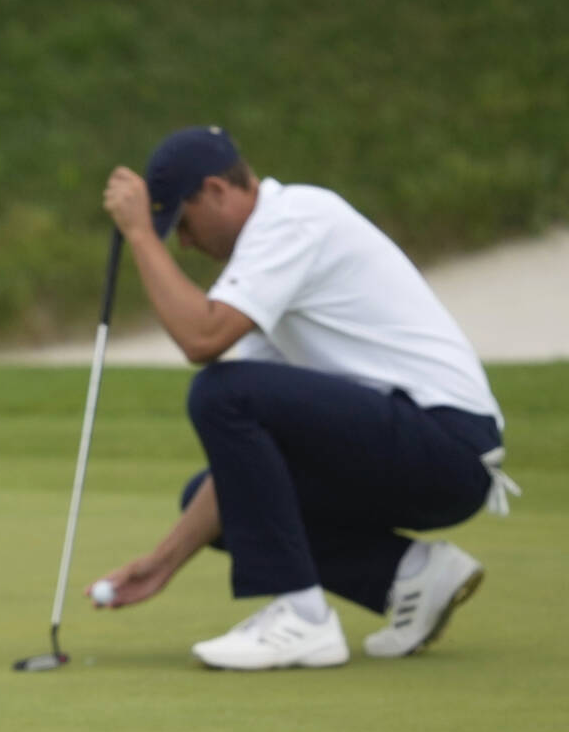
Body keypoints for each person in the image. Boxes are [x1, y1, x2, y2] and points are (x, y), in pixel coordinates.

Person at [93, 125, 518, 670]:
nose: (185, 242)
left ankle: (301, 618)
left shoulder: (295, 219)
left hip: (449, 445)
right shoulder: (270, 269)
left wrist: (140, 236)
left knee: (222, 392)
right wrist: (162, 563)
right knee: (212, 494)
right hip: (418, 450)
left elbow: (202, 339)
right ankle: (412, 575)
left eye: (183, 222)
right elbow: (244, 450)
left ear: (218, 192)